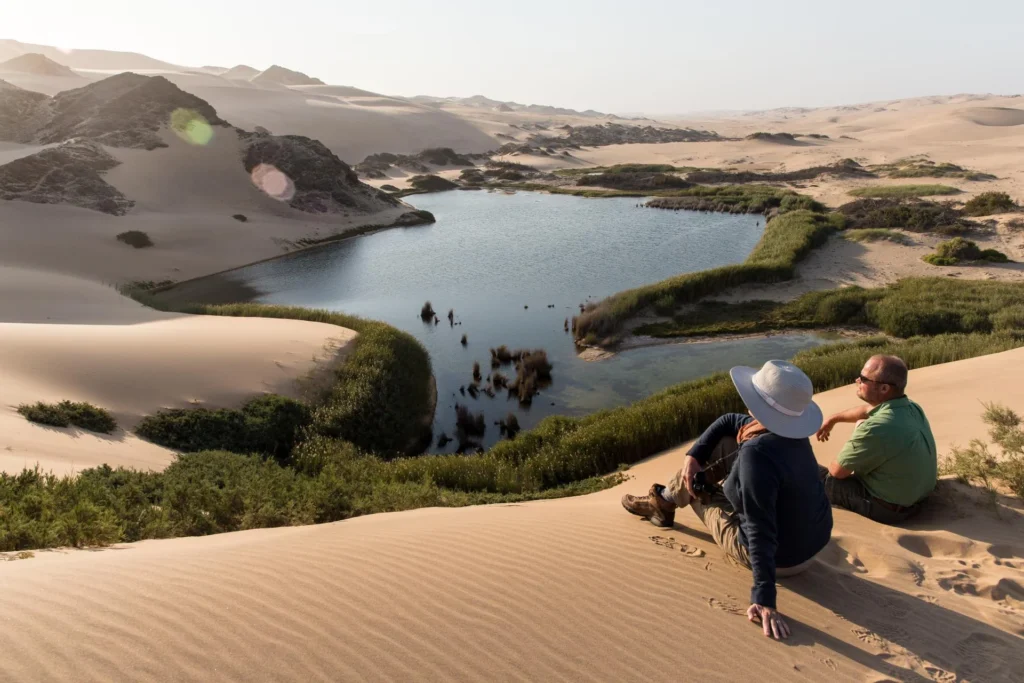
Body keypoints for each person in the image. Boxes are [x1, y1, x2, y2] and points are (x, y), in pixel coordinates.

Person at [621, 360, 833, 640]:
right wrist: (694, 455)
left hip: (782, 561)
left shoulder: (757, 453)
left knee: (694, 485)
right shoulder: (789, 435)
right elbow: (729, 420)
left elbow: (760, 529)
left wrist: (764, 598)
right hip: (811, 547)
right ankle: (664, 499)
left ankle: (662, 503)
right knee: (720, 447)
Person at [816, 355, 936, 524]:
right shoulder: (911, 407)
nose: (857, 380)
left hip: (887, 509)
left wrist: (858, 432)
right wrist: (833, 419)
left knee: (812, 474)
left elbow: (837, 472)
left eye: (864, 379)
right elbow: (867, 410)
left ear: (884, 388)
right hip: (915, 499)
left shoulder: (877, 427)